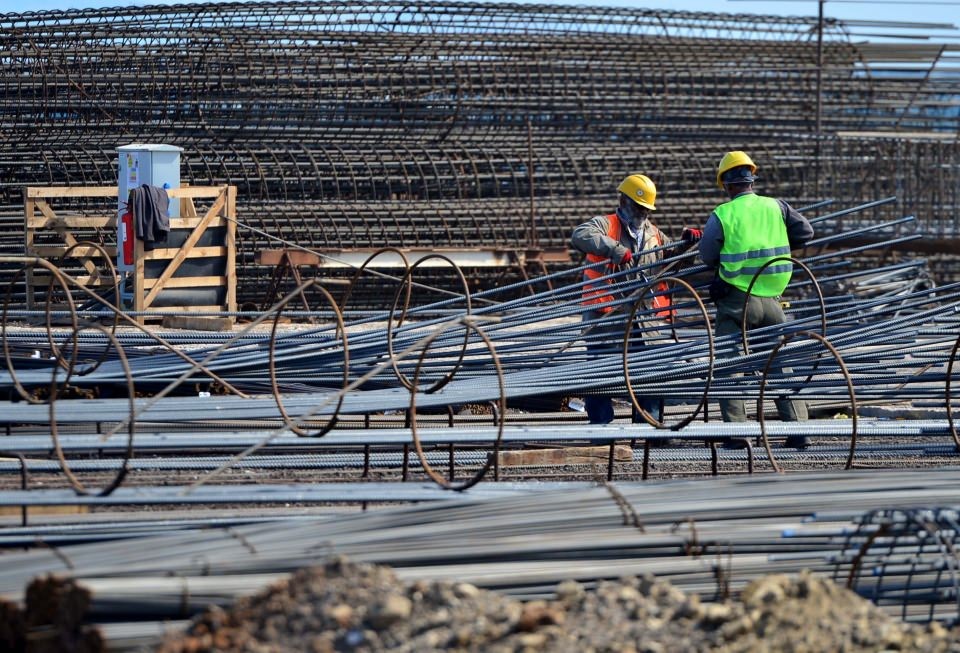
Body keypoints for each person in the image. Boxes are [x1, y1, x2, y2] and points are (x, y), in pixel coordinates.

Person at [696, 151, 815, 448]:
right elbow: (806, 232)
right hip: (774, 299)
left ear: (726, 184)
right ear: (752, 178)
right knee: (779, 365)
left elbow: (707, 255)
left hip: (737, 301)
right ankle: (799, 430)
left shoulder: (723, 214)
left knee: (729, 364)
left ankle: (737, 435)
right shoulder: (777, 207)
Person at [570, 173, 676, 426]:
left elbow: (677, 262)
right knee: (601, 379)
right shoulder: (606, 225)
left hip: (643, 322)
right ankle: (601, 432)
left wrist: (687, 244)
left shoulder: (655, 235)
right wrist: (614, 249)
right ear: (624, 201)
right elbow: (580, 235)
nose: (642, 213)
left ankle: (648, 432)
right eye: (638, 207)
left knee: (648, 379)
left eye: (645, 209)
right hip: (606, 320)